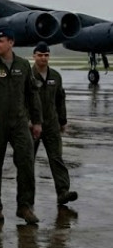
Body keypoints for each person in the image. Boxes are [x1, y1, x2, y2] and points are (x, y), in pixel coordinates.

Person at [0, 26, 42, 224]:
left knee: (26, 162)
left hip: (19, 122)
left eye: (0, 41)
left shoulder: (23, 65)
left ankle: (25, 206)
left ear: (11, 43)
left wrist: (37, 121)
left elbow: (32, 94)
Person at [31, 41, 78, 206]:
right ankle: (26, 196)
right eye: (40, 55)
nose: (43, 58)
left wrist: (62, 121)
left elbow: (60, 99)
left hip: (51, 124)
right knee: (27, 161)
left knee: (56, 158)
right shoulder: (27, 76)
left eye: (46, 55)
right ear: (34, 56)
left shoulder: (55, 76)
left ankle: (63, 192)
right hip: (32, 125)